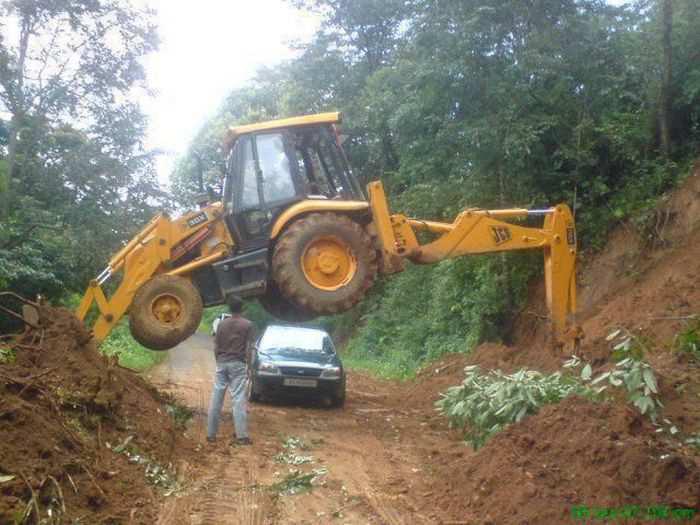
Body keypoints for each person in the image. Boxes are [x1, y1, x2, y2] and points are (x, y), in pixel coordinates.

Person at [206, 295, 255, 445]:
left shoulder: (221, 325)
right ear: (243, 308)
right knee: (238, 399)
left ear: (230, 308)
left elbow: (216, 346)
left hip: (222, 362)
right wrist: (249, 367)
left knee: (216, 399)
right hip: (238, 364)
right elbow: (249, 348)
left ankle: (211, 434)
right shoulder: (247, 325)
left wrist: (219, 362)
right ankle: (241, 436)